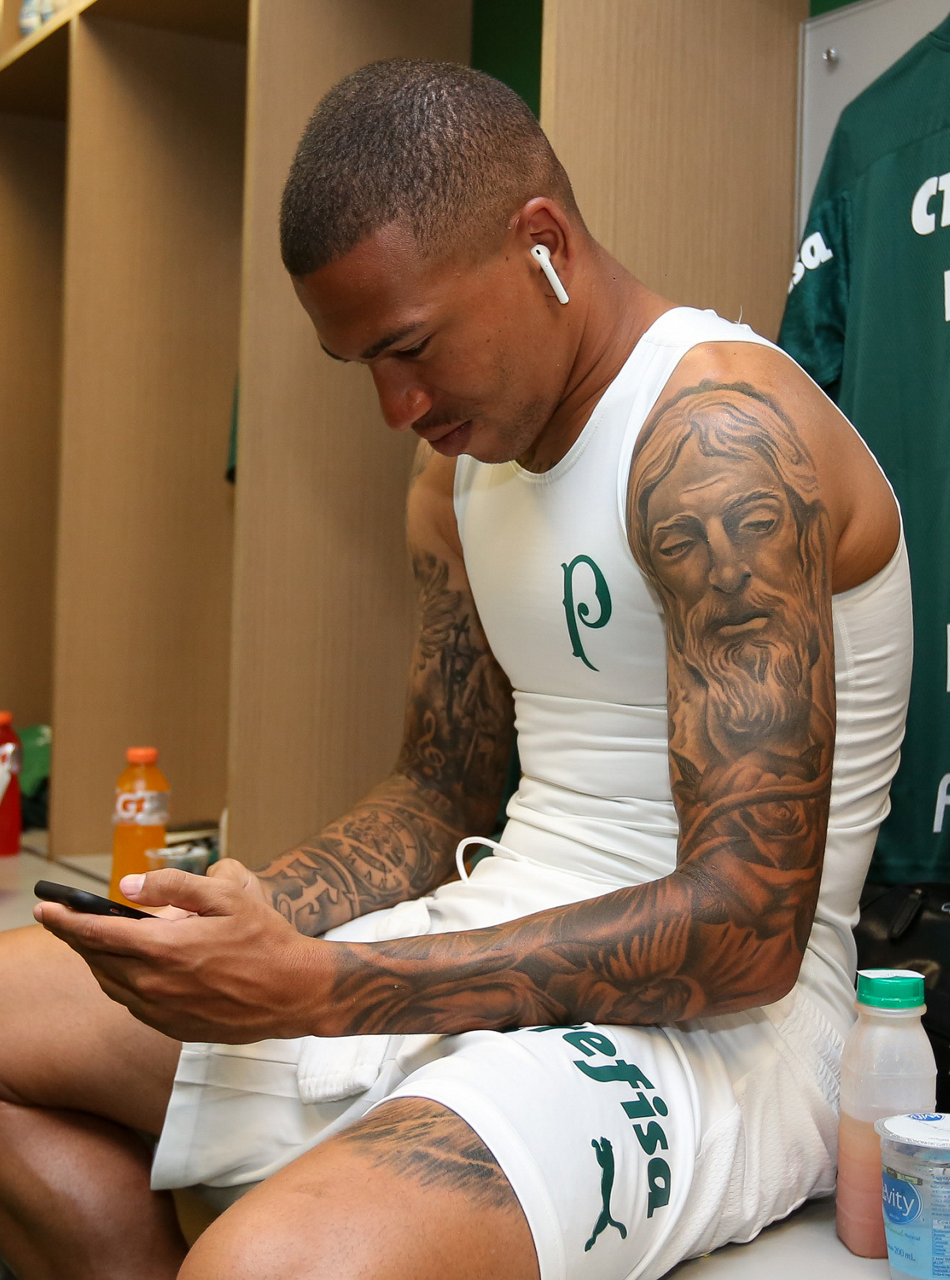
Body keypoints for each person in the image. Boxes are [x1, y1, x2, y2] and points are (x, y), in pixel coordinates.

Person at [0, 59, 909, 1280]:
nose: (396, 406)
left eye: (410, 346)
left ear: (541, 243)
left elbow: (743, 931)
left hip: (723, 1037)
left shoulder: (717, 444)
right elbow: (437, 793)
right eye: (363, 365)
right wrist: (251, 915)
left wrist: (325, 986)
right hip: (479, 938)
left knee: (261, 1269)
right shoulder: (459, 468)